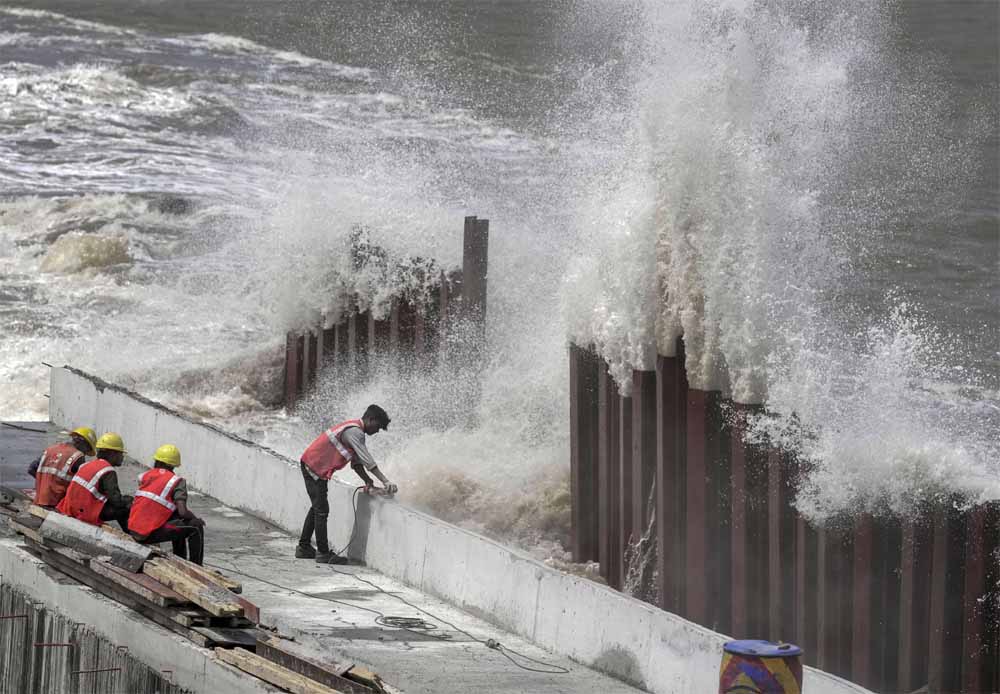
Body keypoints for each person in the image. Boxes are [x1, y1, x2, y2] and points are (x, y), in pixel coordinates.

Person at [297, 404, 394, 564]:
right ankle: (322, 553)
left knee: (317, 508)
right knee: (321, 510)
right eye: (378, 427)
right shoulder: (356, 432)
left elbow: (356, 463)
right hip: (314, 467)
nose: (377, 431)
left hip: (313, 465)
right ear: (371, 419)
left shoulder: (353, 430)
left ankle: (304, 548)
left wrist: (368, 481)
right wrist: (385, 481)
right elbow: (366, 459)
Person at [128, 444, 205, 565]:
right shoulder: (177, 481)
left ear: (157, 461)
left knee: (178, 522)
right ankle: (198, 566)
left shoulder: (145, 476)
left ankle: (180, 559)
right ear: (173, 465)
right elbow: (183, 512)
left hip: (133, 529)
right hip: (147, 534)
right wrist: (195, 518)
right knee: (195, 526)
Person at [56, 432, 132, 531]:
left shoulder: (87, 464)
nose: (122, 457)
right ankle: (131, 535)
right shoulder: (108, 471)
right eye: (121, 453)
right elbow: (116, 501)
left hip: (70, 508)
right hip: (84, 512)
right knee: (127, 505)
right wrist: (131, 501)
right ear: (113, 454)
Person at [28, 426, 97, 508]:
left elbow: (31, 469)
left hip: (40, 499)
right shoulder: (78, 456)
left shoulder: (51, 449)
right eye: (87, 449)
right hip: (58, 503)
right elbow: (81, 486)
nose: (85, 453)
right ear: (82, 442)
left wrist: (45, 484)